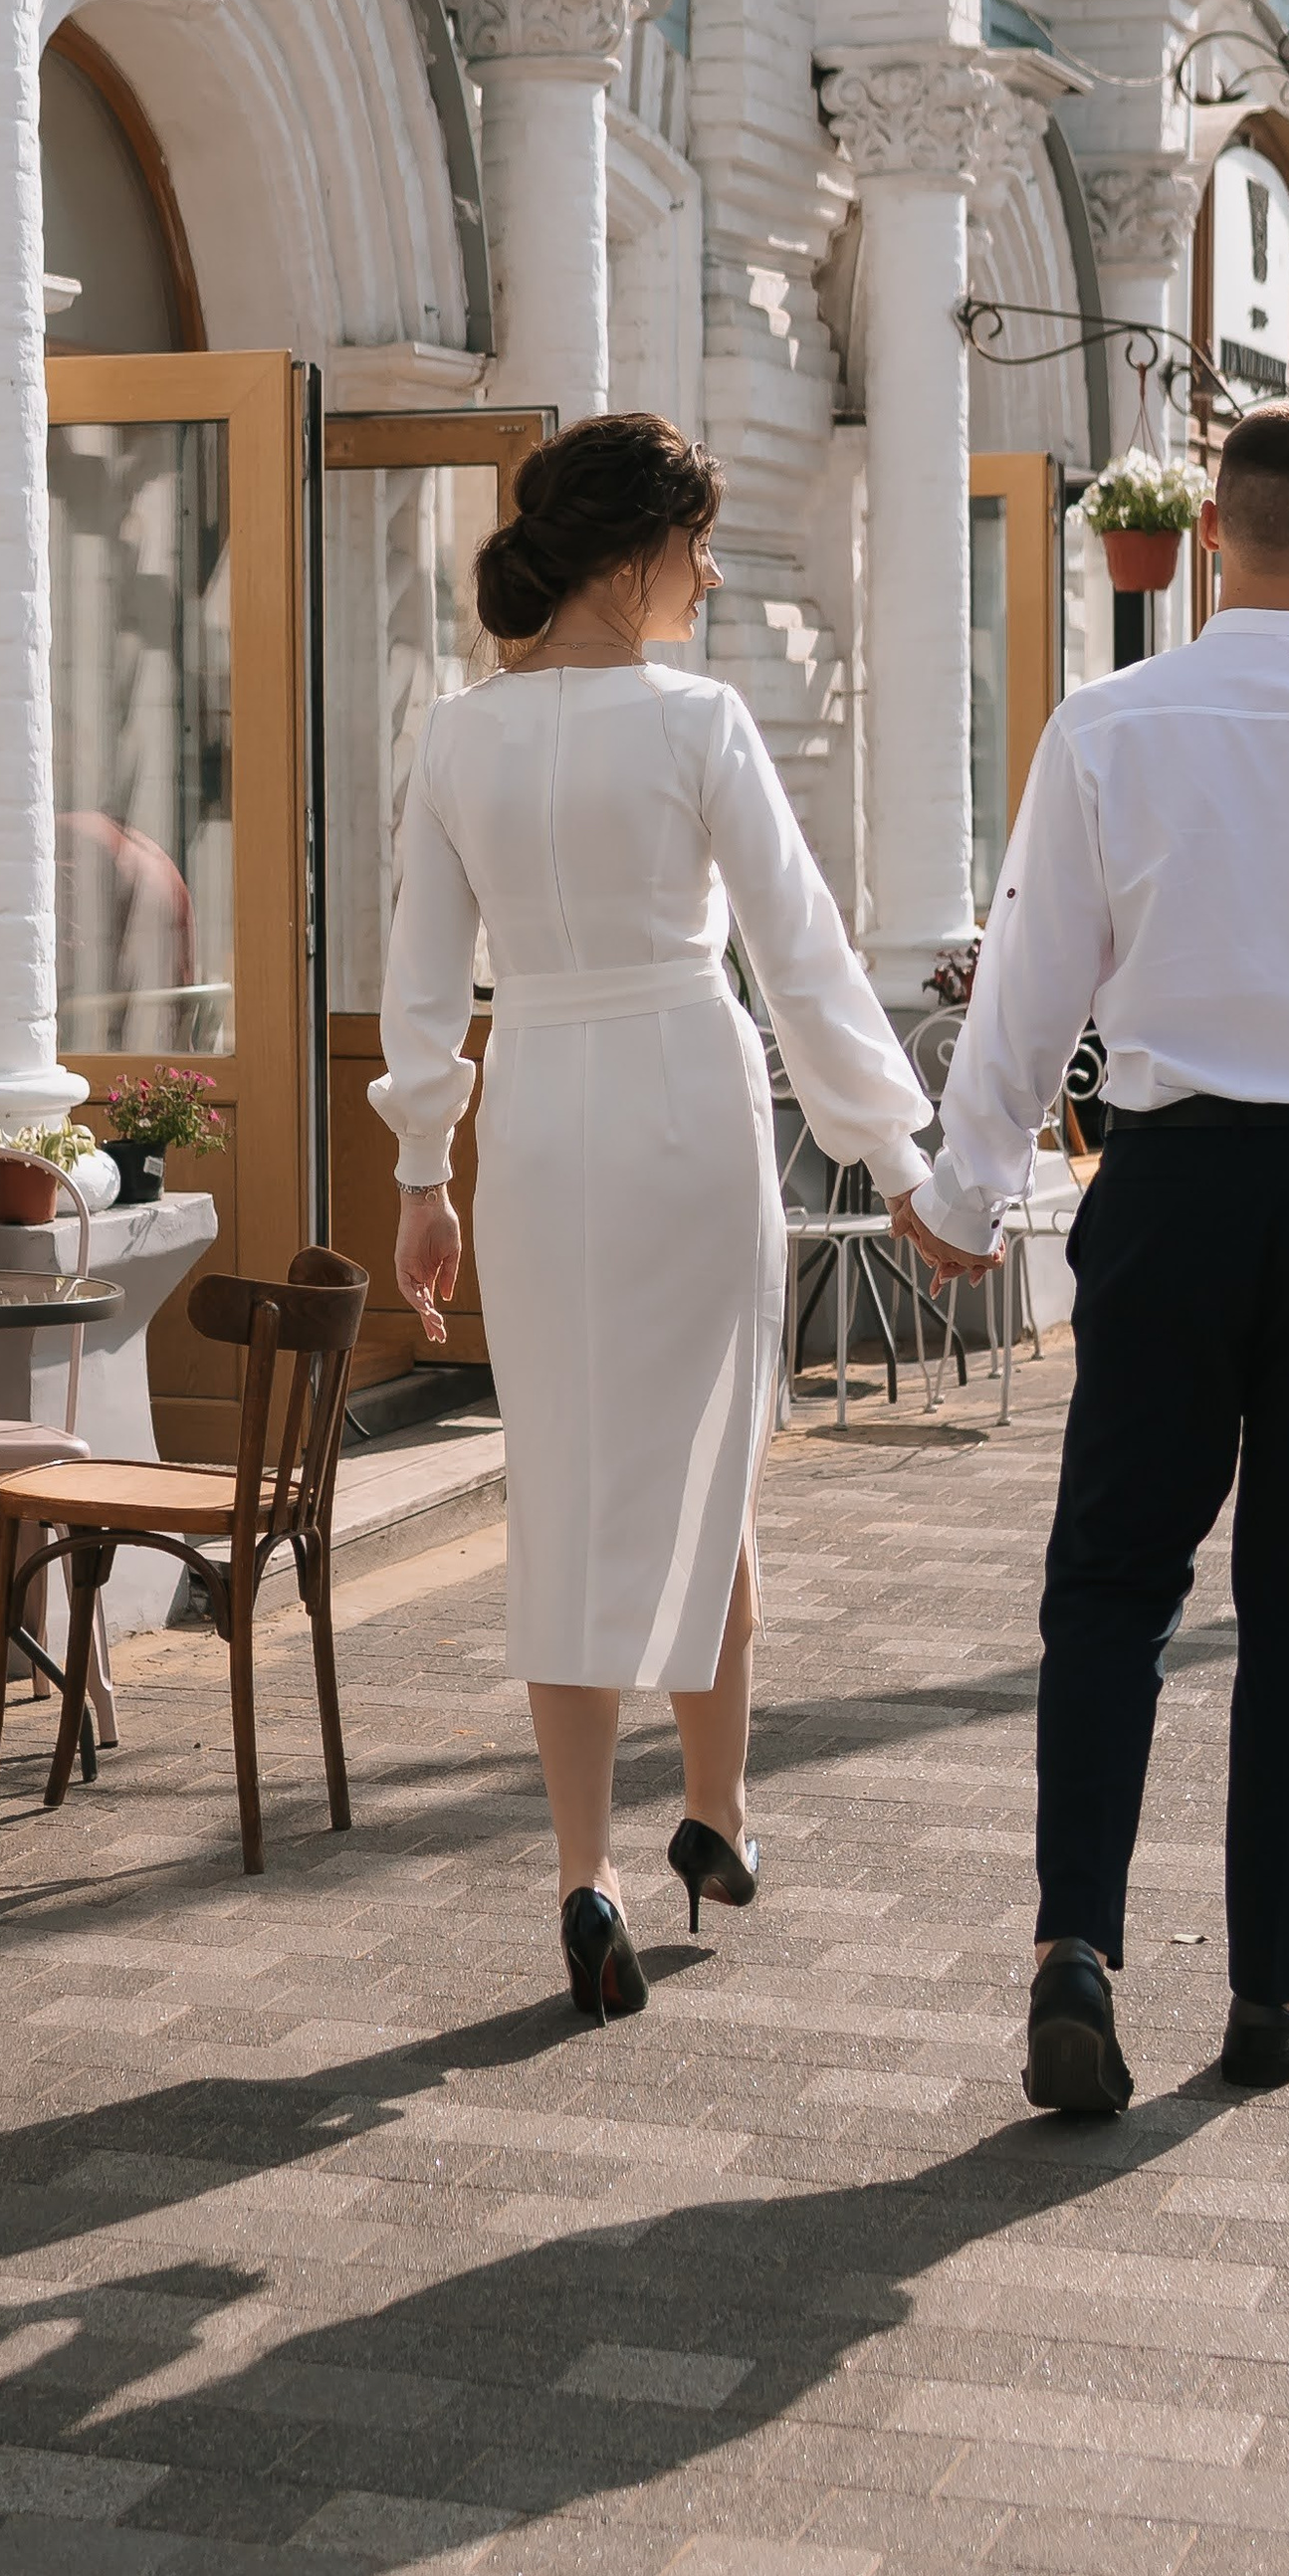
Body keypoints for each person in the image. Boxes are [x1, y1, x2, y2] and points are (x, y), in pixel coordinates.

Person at [898, 398, 1289, 2113]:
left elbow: (1034, 980)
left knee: (1114, 1580)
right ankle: (1267, 2001)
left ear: (1197, 540)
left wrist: (967, 1198)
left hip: (1170, 1191)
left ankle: (1077, 1949)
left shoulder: (1114, 721)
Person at [375, 414, 933, 2026]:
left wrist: (425, 1171)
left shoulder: (459, 737)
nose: (709, 575)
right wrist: (896, 1155)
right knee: (708, 1463)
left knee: (561, 1481)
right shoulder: (698, 722)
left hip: (539, 1113)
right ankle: (721, 1812)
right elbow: (804, 953)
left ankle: (583, 1875)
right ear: (638, 555)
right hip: (690, 1097)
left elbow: (423, 985)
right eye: (700, 545)